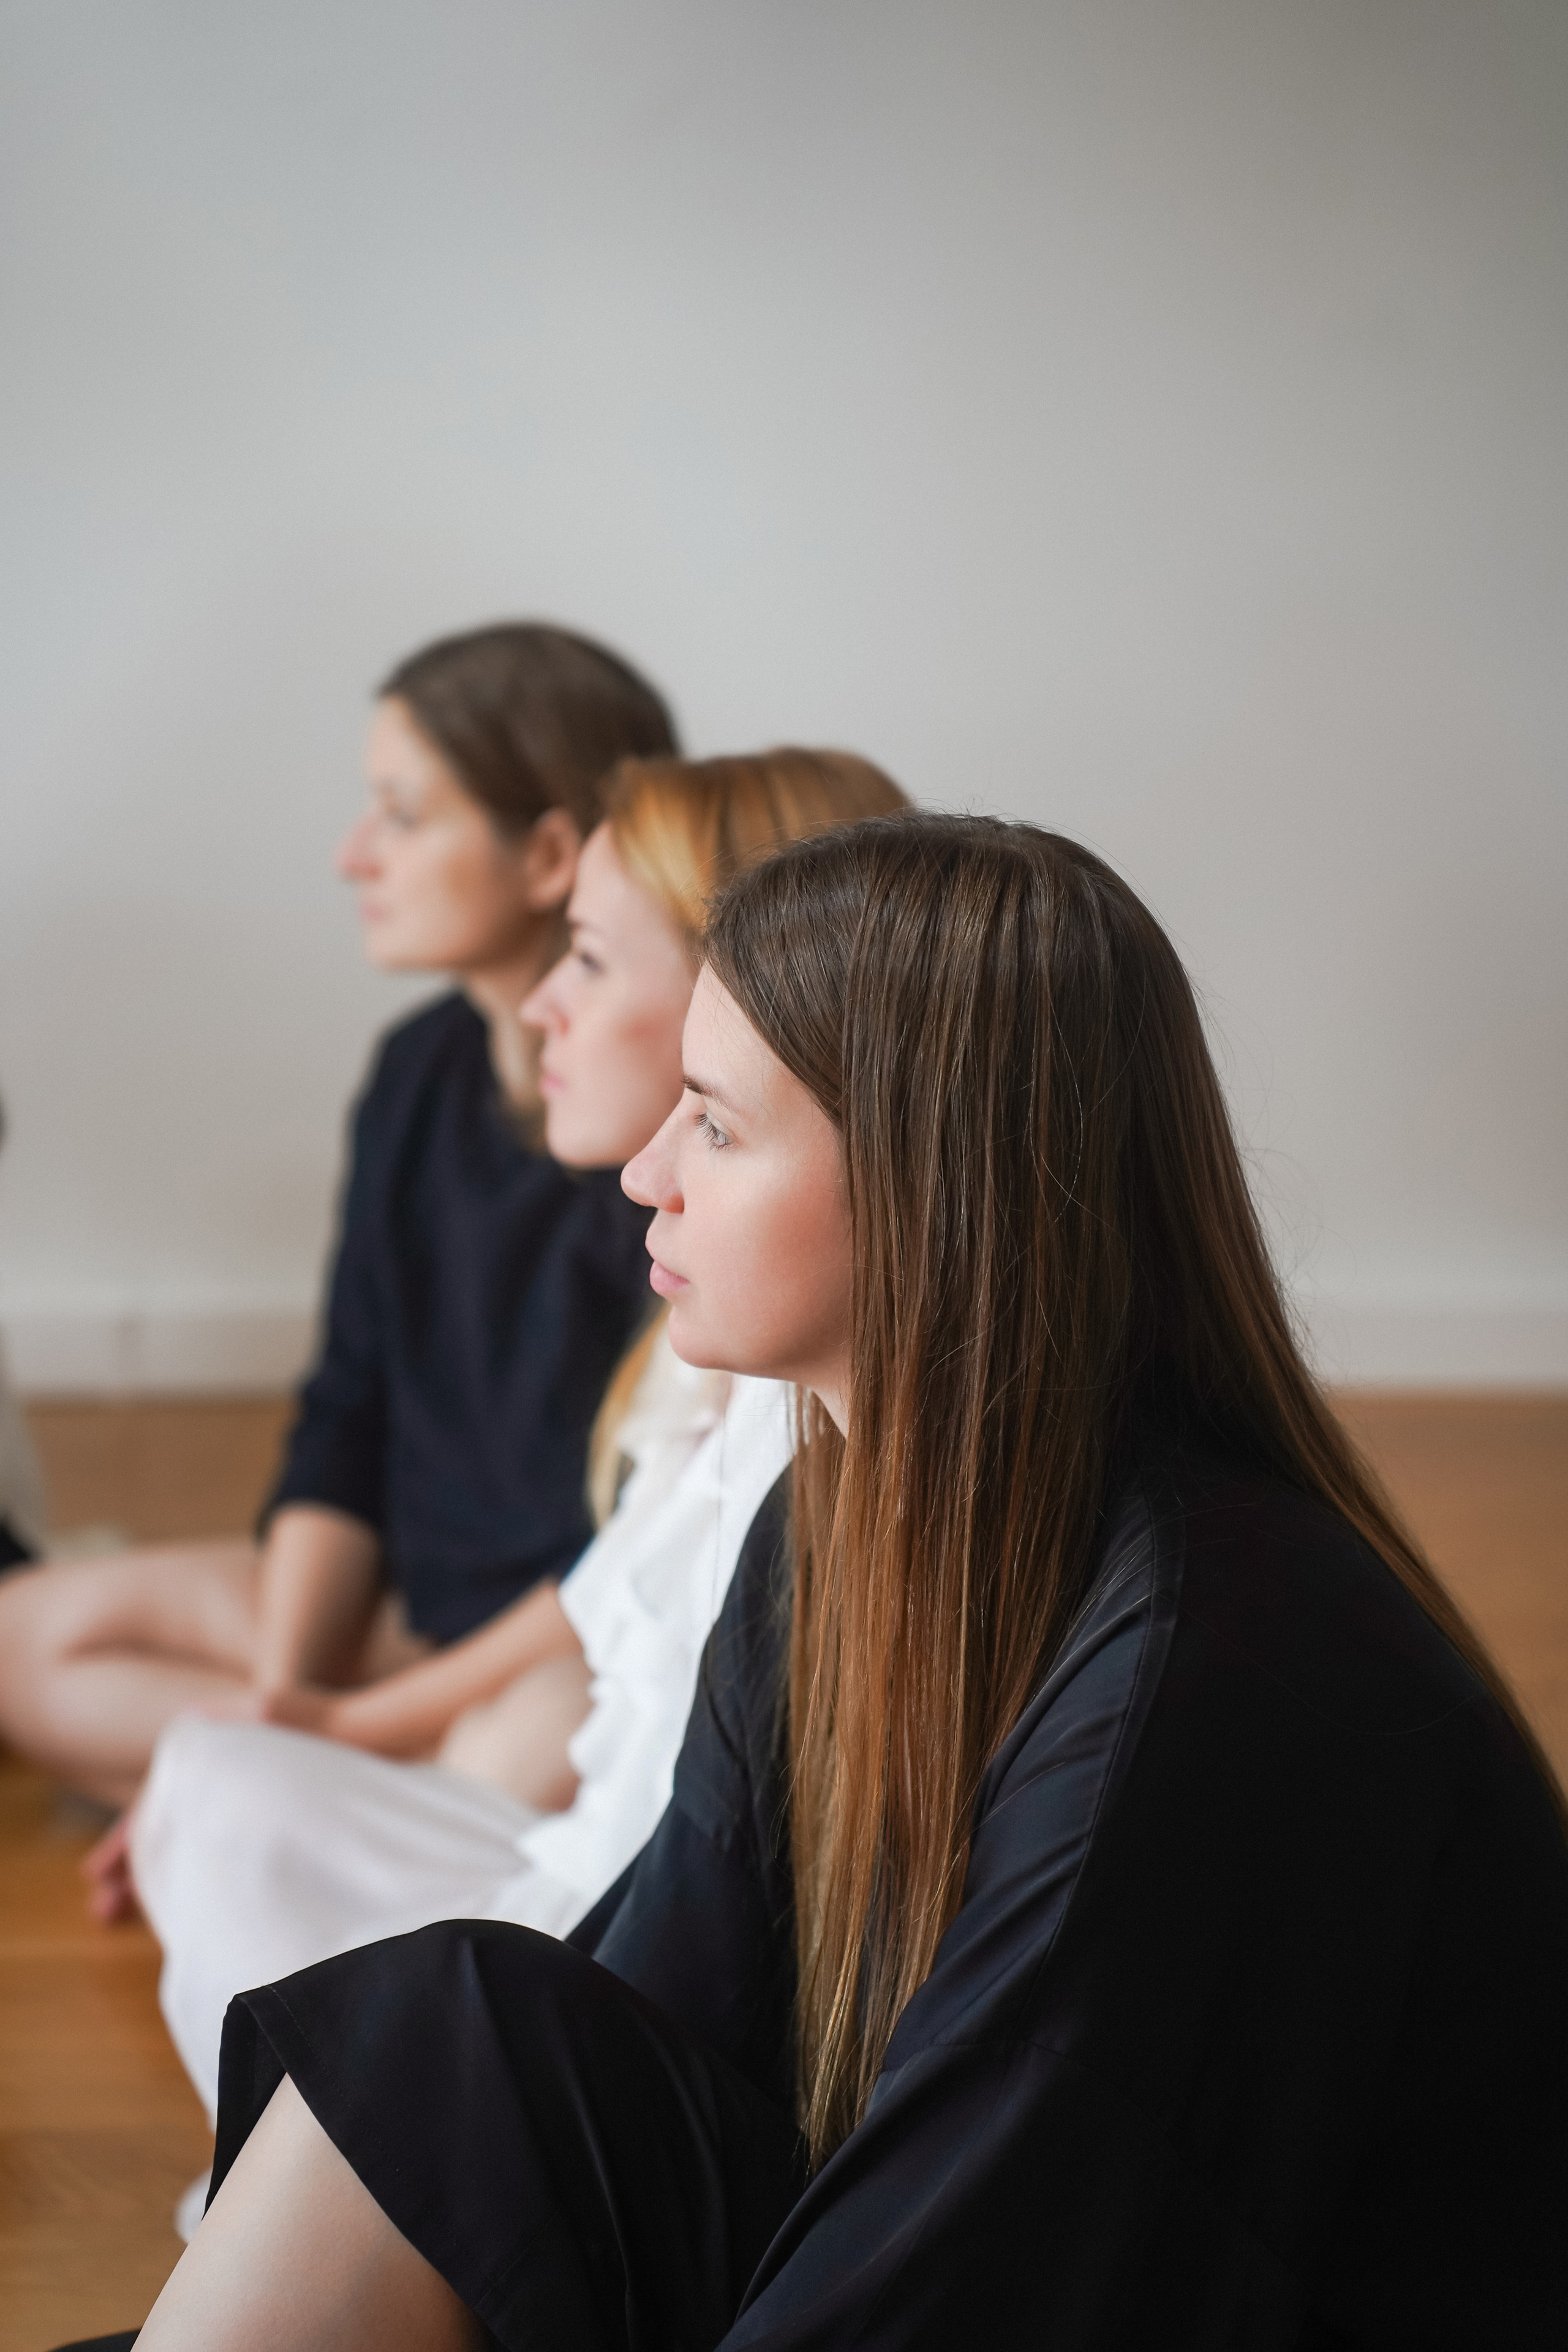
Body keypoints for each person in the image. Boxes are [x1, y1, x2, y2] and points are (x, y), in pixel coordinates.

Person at [81, 816, 1568, 2352]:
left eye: (716, 1128)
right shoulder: (831, 1521)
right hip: (974, 2259)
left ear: (938, 1186)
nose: (645, 1173)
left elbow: (988, 2258)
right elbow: (647, 2016)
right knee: (462, 2032)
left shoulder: (1209, 1672)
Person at [127, 750, 907, 2179]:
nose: (544, 1001)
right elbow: (586, 1581)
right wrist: (337, 1716)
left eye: (589, 959)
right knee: (209, 1766)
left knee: (248, 1789)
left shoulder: (788, 1385)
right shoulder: (701, 1339)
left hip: (617, 1966)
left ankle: (344, 2185)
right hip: (586, 1881)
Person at [0, 622, 675, 1834]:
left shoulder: (657, 1126)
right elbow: (346, 1410)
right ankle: (337, 1820)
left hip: (553, 1649)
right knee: (18, 1644)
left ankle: (295, 1820)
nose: (352, 855)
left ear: (547, 855)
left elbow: (636, 1549)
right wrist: (284, 1699)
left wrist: (348, 1733)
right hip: (406, 1614)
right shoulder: (415, 1073)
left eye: (402, 817)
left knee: (534, 1750)